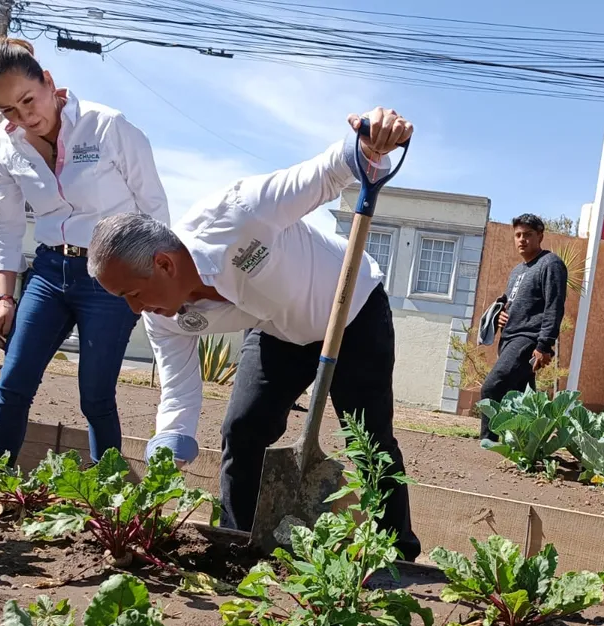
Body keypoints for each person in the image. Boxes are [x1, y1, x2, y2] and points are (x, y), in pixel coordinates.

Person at [85, 107, 421, 561]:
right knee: (243, 429)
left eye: (133, 292)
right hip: (276, 328)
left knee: (369, 439)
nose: (134, 308)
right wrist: (170, 441)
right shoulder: (161, 315)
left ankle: (398, 553)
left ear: (164, 264)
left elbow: (323, 174)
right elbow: (180, 391)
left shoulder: (236, 212)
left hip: (350, 307)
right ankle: (237, 544)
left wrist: (369, 145)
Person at [0, 38, 169, 463]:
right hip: (48, 272)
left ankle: (108, 501)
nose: (25, 117)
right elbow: (3, 224)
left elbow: (154, 209)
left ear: (48, 82)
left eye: (29, 100)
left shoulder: (107, 126)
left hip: (110, 276)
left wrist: (150, 284)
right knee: (13, 382)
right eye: (8, 110)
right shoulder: (7, 147)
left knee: (95, 396)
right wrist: (5, 297)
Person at [479, 214, 567, 439]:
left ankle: (489, 442)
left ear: (540, 236)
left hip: (528, 339)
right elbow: (510, 303)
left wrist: (544, 345)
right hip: (509, 339)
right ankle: (529, 445)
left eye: (527, 235)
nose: (522, 240)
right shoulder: (517, 271)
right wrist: (500, 316)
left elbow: (553, 307)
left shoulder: (550, 264)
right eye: (517, 235)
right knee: (521, 398)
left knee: (492, 388)